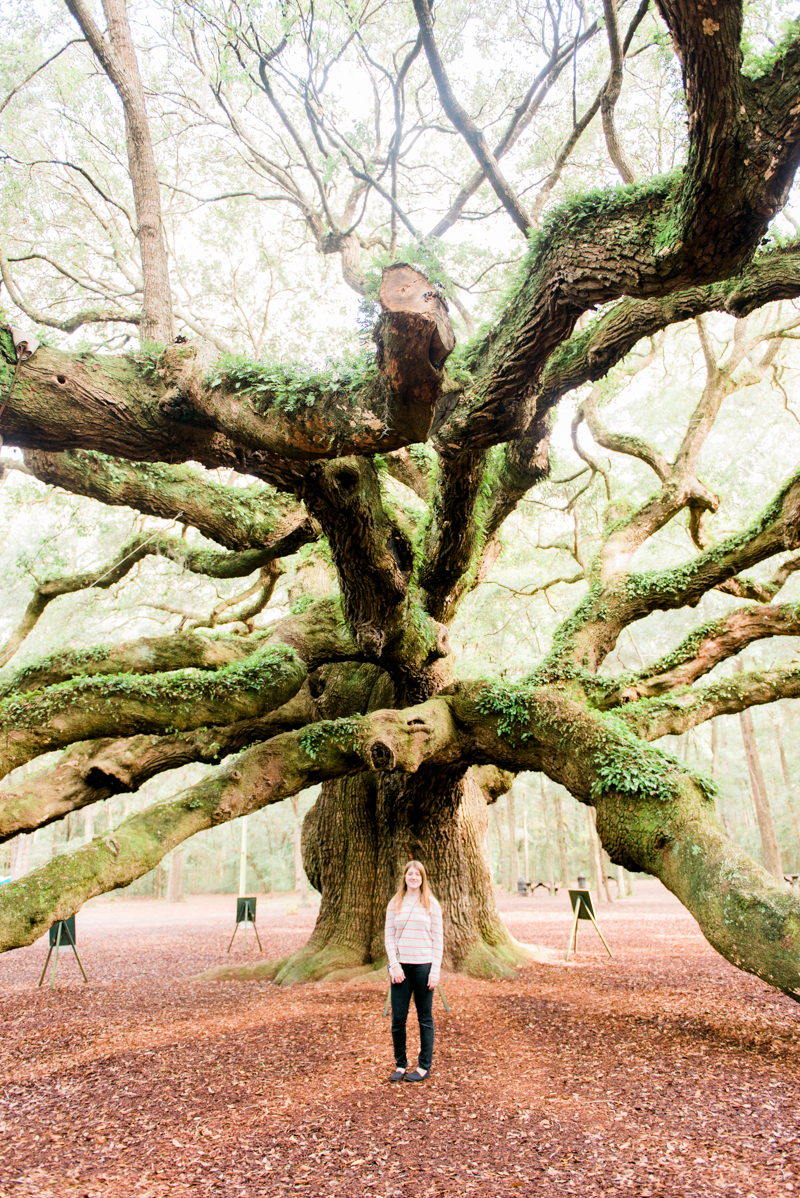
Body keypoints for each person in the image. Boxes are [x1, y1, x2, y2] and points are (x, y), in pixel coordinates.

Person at [384, 859, 443, 1082]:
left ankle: (424, 1066)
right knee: (398, 1018)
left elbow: (438, 940)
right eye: (410, 874)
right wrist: (394, 964)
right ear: (405, 877)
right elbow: (389, 937)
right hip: (401, 969)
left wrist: (434, 971)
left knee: (424, 1017)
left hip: (424, 967)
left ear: (422, 878)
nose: (413, 878)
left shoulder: (431, 905)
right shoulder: (395, 903)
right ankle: (400, 1064)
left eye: (417, 875)